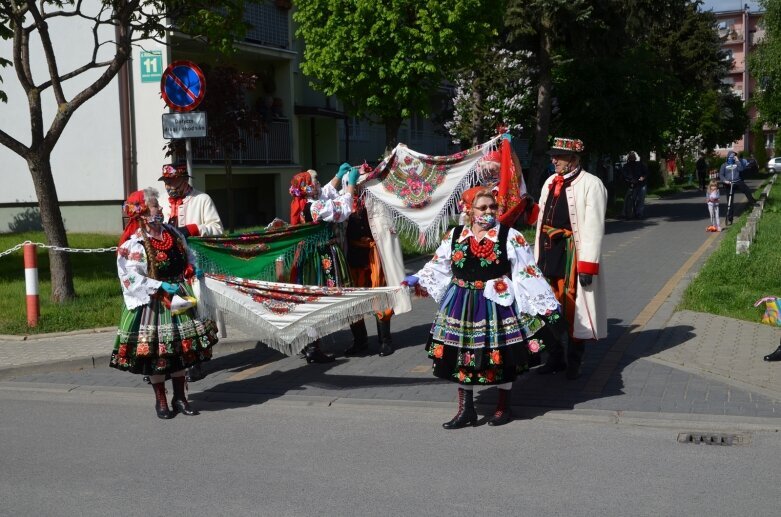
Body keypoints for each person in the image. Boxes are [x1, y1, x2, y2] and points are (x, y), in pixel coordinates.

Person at [405, 187, 562, 429]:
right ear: (468, 209)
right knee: (461, 355)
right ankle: (466, 409)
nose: (489, 211)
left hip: (496, 302)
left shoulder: (510, 236)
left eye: (493, 207)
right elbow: (439, 264)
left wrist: (545, 303)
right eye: (483, 207)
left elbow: (527, 271)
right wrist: (417, 278)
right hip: (461, 301)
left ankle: (503, 407)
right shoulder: (455, 235)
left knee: (502, 354)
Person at [110, 188, 219, 419]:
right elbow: (131, 277)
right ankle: (161, 400)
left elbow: (187, 253)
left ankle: (180, 398)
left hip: (179, 297)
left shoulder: (171, 232)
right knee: (157, 354)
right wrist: (159, 286)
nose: (160, 209)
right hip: (154, 304)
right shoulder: (135, 244)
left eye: (159, 206)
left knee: (181, 350)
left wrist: (191, 268)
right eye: (155, 206)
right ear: (142, 213)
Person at [534, 137, 608, 380]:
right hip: (548, 254)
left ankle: (574, 361)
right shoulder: (549, 183)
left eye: (559, 156)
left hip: (572, 257)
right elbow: (541, 219)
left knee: (573, 310)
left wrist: (588, 266)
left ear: (574, 159)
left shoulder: (591, 184)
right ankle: (555, 357)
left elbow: (593, 228)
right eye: (553, 156)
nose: (554, 160)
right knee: (546, 308)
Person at [159, 163, 224, 383]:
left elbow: (217, 229)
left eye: (172, 181)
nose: (169, 186)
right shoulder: (163, 204)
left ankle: (198, 360)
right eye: (166, 182)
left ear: (184, 179)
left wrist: (194, 229)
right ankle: (177, 359)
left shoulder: (201, 199)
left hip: (196, 266)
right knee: (176, 311)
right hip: (171, 268)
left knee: (198, 311)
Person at [289, 166, 357, 363]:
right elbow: (341, 210)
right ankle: (312, 348)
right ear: (309, 188)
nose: (319, 183)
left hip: (311, 256)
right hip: (320, 257)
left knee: (312, 299)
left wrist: (337, 176)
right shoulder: (314, 207)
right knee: (318, 300)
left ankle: (310, 345)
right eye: (315, 181)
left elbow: (325, 193)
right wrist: (351, 185)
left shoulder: (304, 203)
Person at [719, 151, 757, 224]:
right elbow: (721, 175)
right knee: (730, 200)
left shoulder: (737, 164)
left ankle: (752, 202)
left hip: (737, 181)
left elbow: (741, 169)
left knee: (746, 190)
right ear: (728, 157)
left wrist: (737, 161)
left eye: (734, 157)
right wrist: (725, 181)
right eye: (732, 156)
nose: (733, 158)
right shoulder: (724, 165)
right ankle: (730, 217)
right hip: (728, 183)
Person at [621, 151, 647, 219]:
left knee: (641, 198)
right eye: (630, 158)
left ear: (635, 158)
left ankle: (639, 213)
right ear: (629, 159)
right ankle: (624, 213)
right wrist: (630, 179)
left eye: (633, 158)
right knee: (628, 198)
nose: (632, 159)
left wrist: (643, 177)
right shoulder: (626, 166)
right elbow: (624, 175)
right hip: (631, 184)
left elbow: (646, 173)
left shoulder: (640, 164)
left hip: (641, 184)